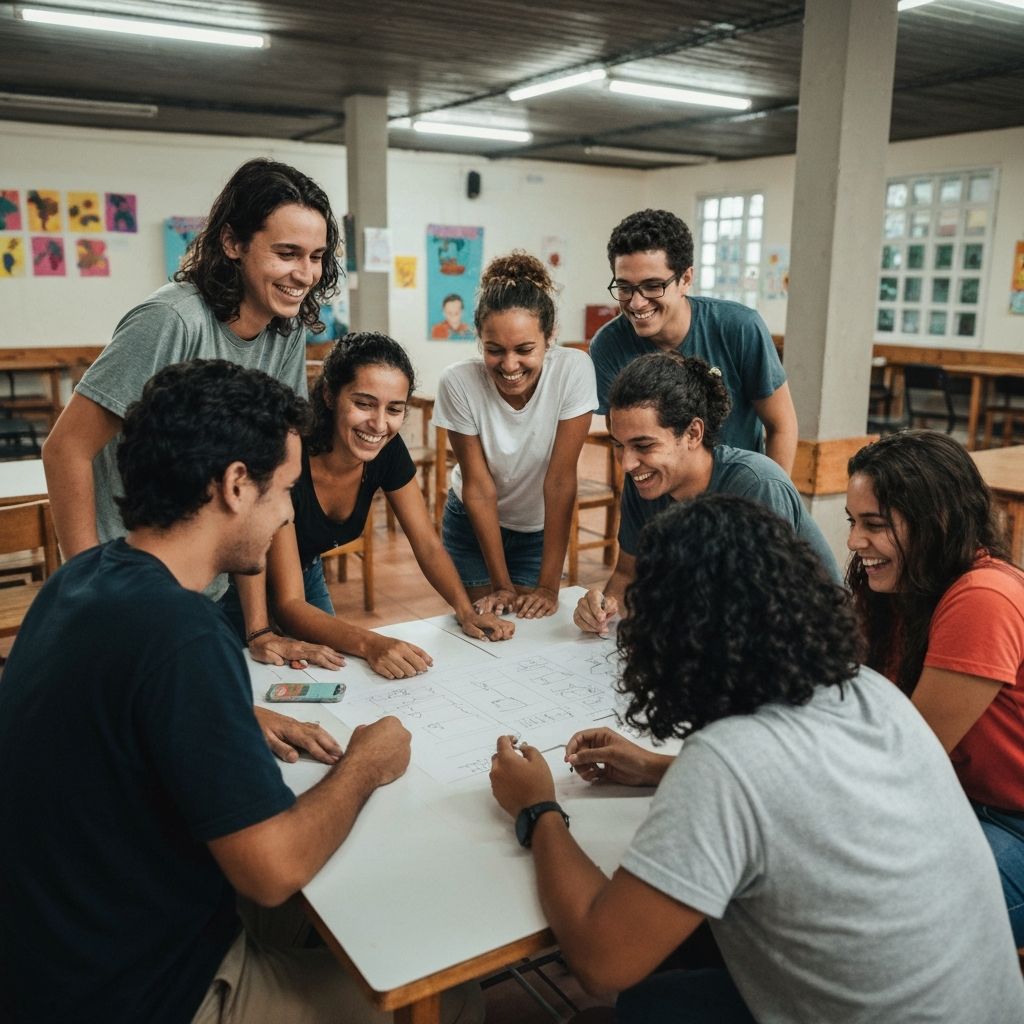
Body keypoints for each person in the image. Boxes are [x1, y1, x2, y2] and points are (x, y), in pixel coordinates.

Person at [0, 360, 481, 1024]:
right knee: (453, 997)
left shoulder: (82, 579)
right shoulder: (186, 634)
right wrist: (367, 763)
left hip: (46, 949)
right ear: (234, 486)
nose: (287, 513)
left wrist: (234, 714)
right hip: (138, 992)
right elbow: (272, 870)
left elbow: (106, 710)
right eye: (283, 492)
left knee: (343, 909)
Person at [489, 494, 1024, 1024]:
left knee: (602, 1014)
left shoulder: (728, 761)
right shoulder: (868, 692)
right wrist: (654, 768)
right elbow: (793, 792)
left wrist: (537, 809)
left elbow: (602, 962)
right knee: (658, 991)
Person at [41, 156, 342, 670]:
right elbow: (65, 448)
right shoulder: (172, 320)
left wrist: (258, 628)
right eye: (286, 253)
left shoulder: (285, 330)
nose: (305, 274)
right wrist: (92, 588)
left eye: (316, 256)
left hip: (210, 574)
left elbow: (258, 485)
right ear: (232, 243)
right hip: (132, 581)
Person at [224, 332, 514, 680]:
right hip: (237, 583)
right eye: (364, 403)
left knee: (331, 679)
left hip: (304, 572)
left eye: (394, 409)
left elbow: (427, 543)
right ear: (330, 395)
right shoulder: (291, 458)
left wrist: (465, 610)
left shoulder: (387, 450)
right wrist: (372, 643)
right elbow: (288, 604)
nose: (379, 424)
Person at [846, 429, 1024, 945]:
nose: (855, 542)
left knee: (883, 919)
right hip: (955, 805)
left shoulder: (983, 596)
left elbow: (905, 759)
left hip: (1010, 822)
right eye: (853, 522)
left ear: (936, 520)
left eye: (875, 525)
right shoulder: (908, 590)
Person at [574, 352, 838, 636]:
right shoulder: (645, 483)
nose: (627, 464)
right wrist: (602, 611)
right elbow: (628, 575)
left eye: (644, 446)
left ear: (693, 433)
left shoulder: (756, 486)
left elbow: (764, 615)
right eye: (619, 445)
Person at [434, 251, 597, 619]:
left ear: (550, 336)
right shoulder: (458, 382)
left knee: (530, 625)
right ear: (479, 339)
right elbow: (479, 487)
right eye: (494, 350)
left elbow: (560, 481)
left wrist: (548, 587)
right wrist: (501, 584)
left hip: (536, 530)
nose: (509, 365)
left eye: (525, 350)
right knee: (483, 624)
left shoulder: (573, 370)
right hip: (471, 526)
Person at [590, 208, 797, 472]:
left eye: (653, 286)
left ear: (686, 279)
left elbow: (781, 426)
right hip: (655, 491)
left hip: (738, 489)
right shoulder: (608, 345)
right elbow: (623, 439)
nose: (637, 302)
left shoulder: (739, 327)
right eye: (624, 287)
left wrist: (773, 493)